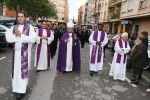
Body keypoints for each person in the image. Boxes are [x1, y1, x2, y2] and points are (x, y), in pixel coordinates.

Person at [6, 11, 36, 100]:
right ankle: (16, 87)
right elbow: (8, 38)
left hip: (25, 54)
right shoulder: (14, 27)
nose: (20, 18)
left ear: (25, 17)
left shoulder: (30, 28)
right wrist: (15, 36)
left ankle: (21, 90)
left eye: (22, 16)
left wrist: (21, 35)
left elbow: (33, 39)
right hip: (16, 54)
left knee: (23, 72)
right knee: (16, 72)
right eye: (18, 16)